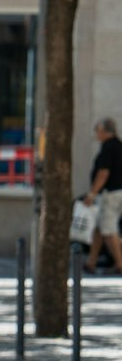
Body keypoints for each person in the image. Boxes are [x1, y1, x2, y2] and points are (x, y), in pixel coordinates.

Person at [83, 116, 122, 275]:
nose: (96, 134)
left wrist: (91, 194)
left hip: (110, 194)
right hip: (116, 193)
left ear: (105, 131)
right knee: (99, 229)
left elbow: (103, 174)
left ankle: (120, 264)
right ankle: (91, 262)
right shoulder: (118, 146)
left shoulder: (108, 148)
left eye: (98, 131)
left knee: (109, 230)